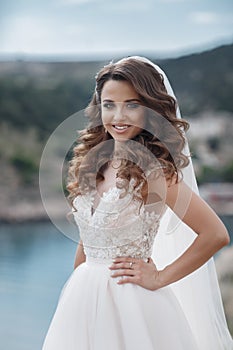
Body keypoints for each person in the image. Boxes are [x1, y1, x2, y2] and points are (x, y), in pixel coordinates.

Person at [42, 56, 233, 350]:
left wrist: (159, 277)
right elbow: (90, 236)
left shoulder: (154, 172)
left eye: (132, 104)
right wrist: (76, 288)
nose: (119, 115)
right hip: (82, 301)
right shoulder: (94, 162)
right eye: (109, 104)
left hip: (131, 306)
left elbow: (215, 234)